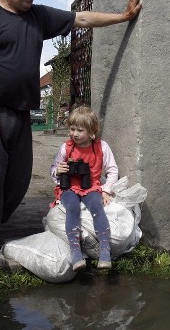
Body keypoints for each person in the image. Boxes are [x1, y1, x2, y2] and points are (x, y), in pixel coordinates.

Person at [0, 0, 141, 269]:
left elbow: (81, 17)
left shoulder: (38, 17)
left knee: (18, 177)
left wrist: (123, 17)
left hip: (20, 110)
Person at [50, 106, 119, 271]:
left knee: (97, 206)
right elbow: (53, 170)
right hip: (69, 188)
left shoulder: (101, 147)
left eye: (79, 130)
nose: (74, 134)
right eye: (72, 129)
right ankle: (76, 253)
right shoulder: (65, 148)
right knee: (72, 207)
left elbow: (112, 170)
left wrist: (106, 189)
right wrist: (57, 171)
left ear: (91, 131)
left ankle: (104, 251)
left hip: (91, 186)